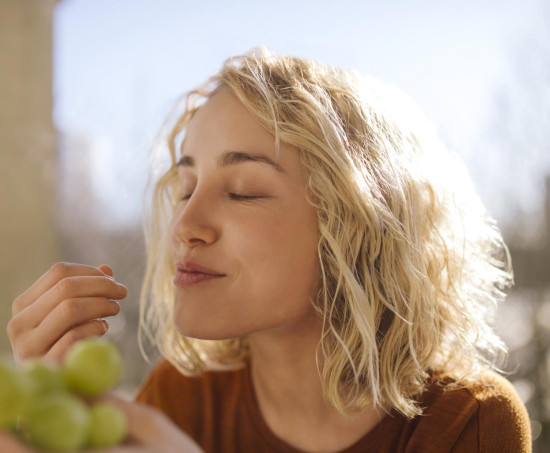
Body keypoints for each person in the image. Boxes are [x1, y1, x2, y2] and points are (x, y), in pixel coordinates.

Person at [3, 48, 531, 452]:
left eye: (242, 191)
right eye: (185, 189)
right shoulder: (181, 397)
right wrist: (47, 413)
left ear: (356, 227)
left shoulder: (467, 421)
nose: (185, 225)